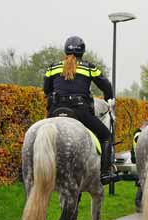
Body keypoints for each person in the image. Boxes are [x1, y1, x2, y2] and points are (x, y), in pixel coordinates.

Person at [43, 36, 114, 184]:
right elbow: (106, 86)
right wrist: (108, 98)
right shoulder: (89, 67)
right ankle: (105, 173)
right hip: (80, 112)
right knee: (106, 136)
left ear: (65, 50)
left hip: (55, 110)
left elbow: (46, 89)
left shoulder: (53, 67)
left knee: (38, 134)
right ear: (83, 52)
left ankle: (24, 170)